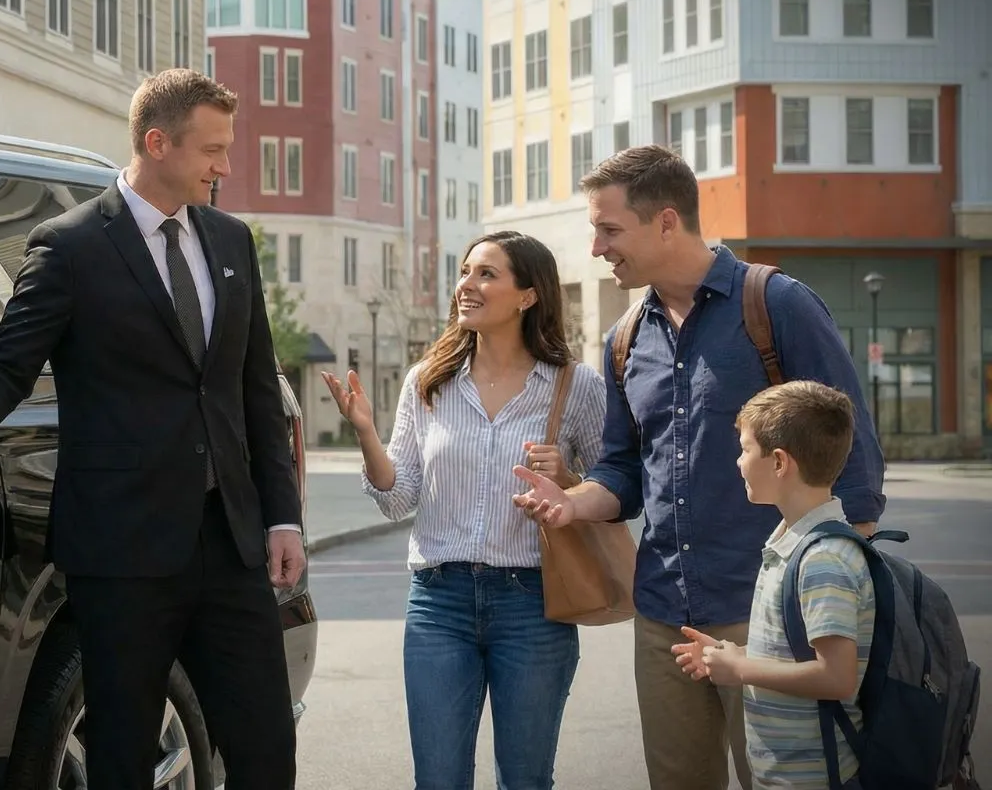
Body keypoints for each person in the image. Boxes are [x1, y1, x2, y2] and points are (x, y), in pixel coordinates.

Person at [0, 68, 304, 790]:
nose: (225, 166)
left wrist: (283, 519)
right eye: (212, 150)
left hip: (231, 545)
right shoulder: (71, 246)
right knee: (122, 752)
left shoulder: (233, 242)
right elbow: (6, 363)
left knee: (267, 747)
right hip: (123, 549)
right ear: (157, 142)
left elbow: (255, 392)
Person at [513, 145, 884, 790]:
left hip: (771, 612)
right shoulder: (626, 337)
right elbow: (624, 471)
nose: (598, 247)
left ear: (664, 221)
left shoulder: (779, 306)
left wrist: (838, 597)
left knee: (786, 781)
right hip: (663, 613)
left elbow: (857, 466)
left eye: (608, 229)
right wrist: (573, 503)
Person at [324, 231, 604, 790]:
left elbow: (615, 494)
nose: (466, 287)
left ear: (528, 295)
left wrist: (567, 483)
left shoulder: (575, 387)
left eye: (485, 274)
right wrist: (365, 434)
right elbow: (397, 496)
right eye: (464, 272)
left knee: (525, 780)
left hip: (533, 605)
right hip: (439, 600)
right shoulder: (429, 381)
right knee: (438, 779)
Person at [673, 380, 873, 790]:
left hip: (815, 776)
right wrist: (735, 654)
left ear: (779, 462)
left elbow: (837, 677)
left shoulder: (822, 560)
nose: (738, 462)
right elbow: (800, 652)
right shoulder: (793, 541)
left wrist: (741, 669)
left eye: (746, 449)